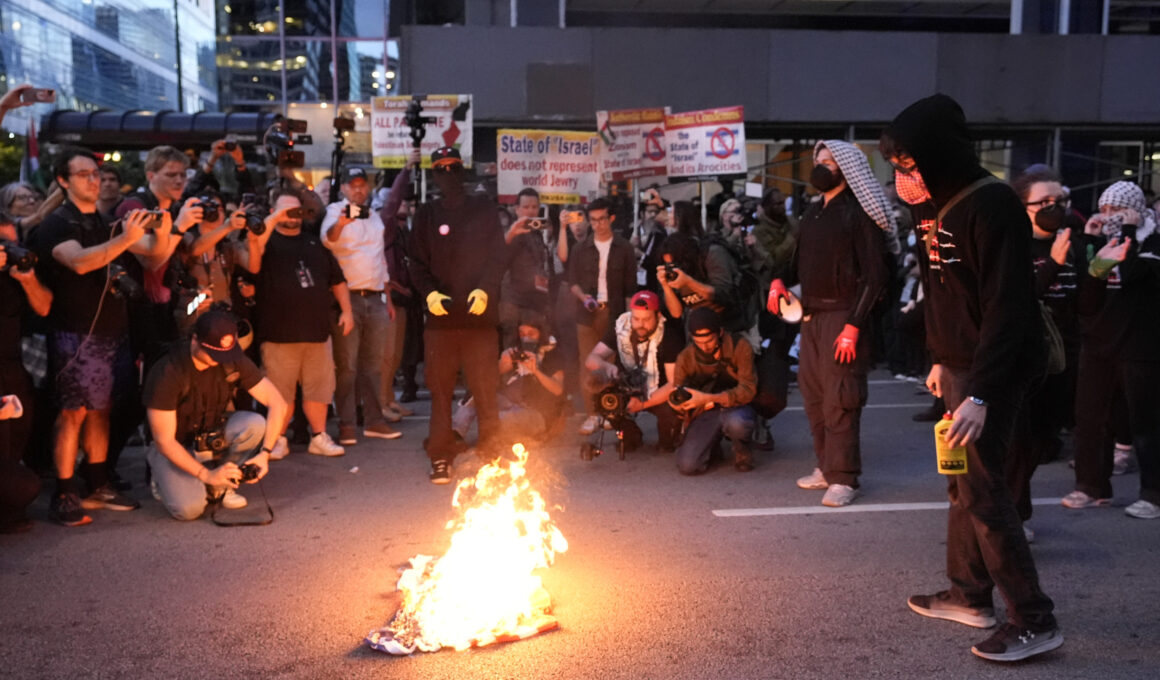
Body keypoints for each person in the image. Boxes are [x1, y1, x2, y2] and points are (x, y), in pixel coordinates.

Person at [881, 93, 1061, 662]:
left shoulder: (992, 206)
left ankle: (1034, 620)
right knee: (960, 482)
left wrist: (981, 392)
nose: (900, 174)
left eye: (907, 161)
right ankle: (968, 594)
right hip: (958, 366)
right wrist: (939, 357)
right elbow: (942, 293)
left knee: (986, 493)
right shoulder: (930, 203)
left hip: (996, 371)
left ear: (935, 153)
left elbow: (1008, 308)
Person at [32, 147, 174, 526]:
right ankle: (64, 491)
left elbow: (154, 256)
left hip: (114, 331)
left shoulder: (107, 221)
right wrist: (127, 239)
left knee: (103, 411)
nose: (94, 180)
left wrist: (163, 228)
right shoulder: (58, 224)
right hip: (75, 333)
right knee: (72, 412)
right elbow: (80, 262)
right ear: (63, 181)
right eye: (83, 175)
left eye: (96, 173)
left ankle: (96, 483)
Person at [767, 140, 890, 507]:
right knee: (815, 395)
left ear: (848, 169)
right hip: (810, 315)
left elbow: (876, 277)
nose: (821, 166)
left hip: (843, 315)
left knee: (842, 397)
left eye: (830, 161)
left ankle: (845, 477)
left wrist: (854, 325)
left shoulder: (859, 213)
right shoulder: (813, 212)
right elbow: (795, 259)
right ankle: (826, 466)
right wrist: (778, 279)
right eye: (818, 160)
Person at [1062, 181, 1160, 520]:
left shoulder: (1152, 239)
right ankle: (1091, 486)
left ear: (1134, 210)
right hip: (1098, 343)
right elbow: (1086, 293)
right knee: (1090, 419)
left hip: (1140, 345)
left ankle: (1153, 492)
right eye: (1104, 209)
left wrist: (1130, 232)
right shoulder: (1101, 241)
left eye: (1117, 210)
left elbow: (1132, 274)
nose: (1109, 217)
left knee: (1145, 422)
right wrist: (1089, 241)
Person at [408, 146, 506, 484]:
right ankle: (440, 454)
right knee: (440, 393)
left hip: (479, 319)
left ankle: (493, 454)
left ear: (462, 171)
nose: (448, 174)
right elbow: (415, 263)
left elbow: (497, 256)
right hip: (441, 321)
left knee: (485, 390)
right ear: (434, 174)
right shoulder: (426, 215)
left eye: (454, 167)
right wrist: (429, 294)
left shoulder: (483, 209)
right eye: (441, 169)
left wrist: (486, 288)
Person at [143, 310, 287, 519]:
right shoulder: (169, 370)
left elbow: (277, 403)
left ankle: (222, 483)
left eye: (225, 354)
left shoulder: (231, 358)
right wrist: (205, 474)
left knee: (254, 424)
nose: (220, 360)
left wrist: (265, 454)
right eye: (214, 354)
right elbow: (164, 440)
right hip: (174, 444)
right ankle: (164, 476)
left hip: (209, 433)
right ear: (194, 340)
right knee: (189, 509)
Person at [244, 190, 351, 460]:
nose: (291, 217)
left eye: (296, 211)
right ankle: (277, 439)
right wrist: (273, 219)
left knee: (319, 388)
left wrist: (347, 311)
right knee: (281, 391)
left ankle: (319, 436)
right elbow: (253, 262)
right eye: (284, 211)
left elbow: (337, 280)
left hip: (316, 332)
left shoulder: (314, 244)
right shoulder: (266, 242)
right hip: (279, 334)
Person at [320, 166, 402, 445]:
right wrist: (342, 223)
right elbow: (327, 239)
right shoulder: (334, 211)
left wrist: (388, 299)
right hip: (348, 298)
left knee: (373, 366)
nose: (358, 189)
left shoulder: (374, 216)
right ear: (343, 188)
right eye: (352, 185)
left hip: (376, 296)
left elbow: (380, 260)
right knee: (347, 366)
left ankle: (374, 421)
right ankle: (346, 425)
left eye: (362, 185)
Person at [0, 211, 53, 533]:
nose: (9, 249)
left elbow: (44, 306)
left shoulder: (16, 274)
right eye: (3, 243)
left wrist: (28, 278)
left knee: (18, 436)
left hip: (11, 365)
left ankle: (9, 508)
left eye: (12, 241)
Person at [568, 197, 636, 436]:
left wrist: (630, 320)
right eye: (594, 221)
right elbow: (572, 282)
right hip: (587, 314)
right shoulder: (580, 249)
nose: (598, 225)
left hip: (615, 312)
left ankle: (612, 411)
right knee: (587, 362)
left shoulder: (624, 248)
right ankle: (592, 414)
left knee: (614, 364)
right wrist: (583, 297)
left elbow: (630, 287)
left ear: (611, 219)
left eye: (602, 220)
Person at [583, 290, 684, 451]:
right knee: (604, 397)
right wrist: (607, 366)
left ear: (657, 316)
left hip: (658, 390)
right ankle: (630, 435)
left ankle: (669, 436)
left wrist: (643, 404)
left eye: (646, 319)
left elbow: (674, 383)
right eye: (636, 319)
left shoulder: (669, 336)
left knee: (670, 416)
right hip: (627, 386)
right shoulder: (621, 328)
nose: (640, 324)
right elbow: (591, 359)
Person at [453, 311, 566, 443]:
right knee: (478, 389)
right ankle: (456, 432)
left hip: (536, 413)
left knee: (498, 420)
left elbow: (558, 389)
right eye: (522, 333)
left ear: (541, 334)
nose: (526, 338)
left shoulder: (552, 354)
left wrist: (536, 371)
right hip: (510, 403)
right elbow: (485, 380)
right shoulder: (515, 351)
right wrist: (502, 365)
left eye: (531, 334)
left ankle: (499, 438)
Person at [669, 307, 757, 474]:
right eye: (698, 341)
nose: (704, 347)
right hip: (705, 412)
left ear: (720, 333)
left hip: (736, 406)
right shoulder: (685, 358)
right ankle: (712, 447)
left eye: (709, 340)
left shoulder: (740, 346)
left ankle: (742, 449)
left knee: (738, 423)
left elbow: (748, 390)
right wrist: (679, 404)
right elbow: (678, 392)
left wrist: (709, 398)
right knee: (688, 466)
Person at [380, 150, 421, 418]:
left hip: (405, 298)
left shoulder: (404, 229)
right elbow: (392, 202)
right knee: (386, 356)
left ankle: (388, 400)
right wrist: (406, 170)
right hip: (390, 298)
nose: (405, 204)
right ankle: (381, 404)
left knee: (395, 355)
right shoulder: (386, 225)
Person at [499, 187, 554, 348]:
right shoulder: (512, 232)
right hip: (514, 303)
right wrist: (511, 233)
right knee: (512, 352)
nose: (530, 211)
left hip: (534, 301)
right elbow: (499, 254)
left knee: (531, 353)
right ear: (517, 209)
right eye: (526, 207)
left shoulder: (536, 233)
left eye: (534, 207)